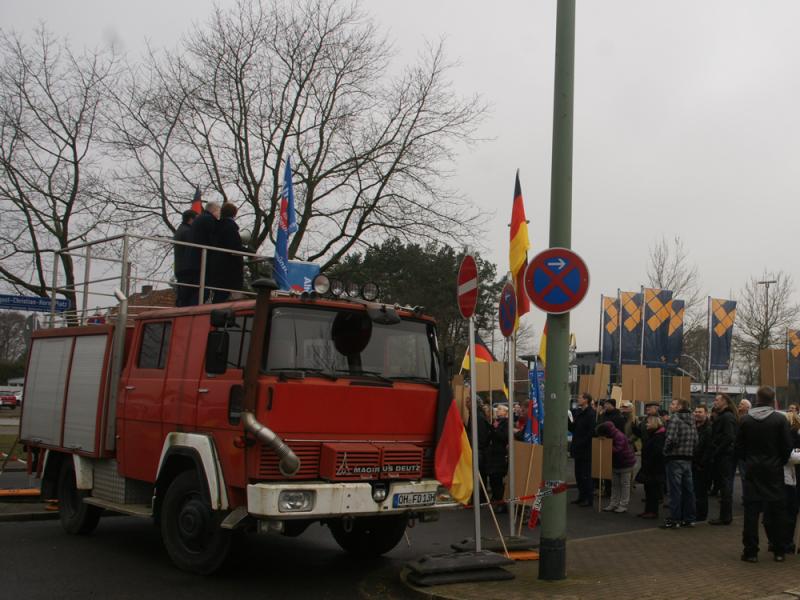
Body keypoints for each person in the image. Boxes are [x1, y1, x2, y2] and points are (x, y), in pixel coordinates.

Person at [736, 386, 793, 562]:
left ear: (757, 399)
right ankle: (779, 550)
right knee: (777, 510)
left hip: (753, 469)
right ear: (772, 399)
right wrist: (779, 461)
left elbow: (739, 447)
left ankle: (751, 551)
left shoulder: (745, 420)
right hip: (774, 470)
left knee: (751, 512)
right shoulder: (779, 420)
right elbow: (787, 446)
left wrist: (748, 461)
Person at [661, 397, 698, 529]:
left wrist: (665, 452)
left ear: (679, 407)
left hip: (674, 458)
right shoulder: (692, 420)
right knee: (688, 490)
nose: (671, 406)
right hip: (688, 458)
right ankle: (689, 518)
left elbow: (670, 439)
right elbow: (695, 440)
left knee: (675, 490)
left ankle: (675, 518)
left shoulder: (674, 419)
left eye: (673, 404)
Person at [709, 393, 738, 525]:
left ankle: (725, 516)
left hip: (726, 455)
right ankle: (725, 516)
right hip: (724, 454)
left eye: (717, 400)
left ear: (725, 401)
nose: (714, 402)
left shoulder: (727, 417)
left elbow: (729, 437)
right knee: (724, 485)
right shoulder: (724, 416)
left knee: (726, 486)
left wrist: (717, 450)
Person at [208, 202, 244, 303]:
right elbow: (235, 247)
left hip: (216, 267)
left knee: (219, 294)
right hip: (228, 270)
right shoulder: (230, 227)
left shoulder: (216, 226)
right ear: (234, 214)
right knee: (223, 295)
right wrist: (249, 251)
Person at [596, 421, 636, 513]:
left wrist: (606, 446)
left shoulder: (619, 436)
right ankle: (613, 504)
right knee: (615, 485)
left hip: (625, 463)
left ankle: (623, 505)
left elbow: (618, 449)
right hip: (616, 463)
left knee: (624, 485)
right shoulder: (611, 435)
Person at [187, 201, 221, 305]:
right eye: (219, 211)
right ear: (214, 210)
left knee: (196, 290)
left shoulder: (199, 219)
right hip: (202, 260)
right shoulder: (209, 220)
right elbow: (213, 240)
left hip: (193, 260)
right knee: (203, 291)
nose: (219, 215)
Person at [569, 392, 596, 507]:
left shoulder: (591, 414)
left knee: (586, 475)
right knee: (578, 474)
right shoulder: (579, 412)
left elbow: (591, 432)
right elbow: (574, 428)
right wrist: (567, 420)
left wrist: (581, 442)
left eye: (580, 398)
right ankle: (581, 496)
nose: (578, 399)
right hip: (578, 448)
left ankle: (588, 498)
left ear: (586, 400)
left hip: (586, 449)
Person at [636, 415, 666, 519]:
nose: (646, 425)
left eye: (648, 423)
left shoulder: (658, 436)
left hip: (654, 468)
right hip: (650, 467)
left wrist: (649, 463)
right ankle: (648, 510)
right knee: (648, 490)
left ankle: (652, 511)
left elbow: (657, 453)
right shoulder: (654, 434)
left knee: (653, 491)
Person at [780, 411, 800, 554]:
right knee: (789, 510)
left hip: (783, 477)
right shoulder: (789, 435)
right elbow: (790, 457)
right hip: (787, 478)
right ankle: (785, 543)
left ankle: (780, 542)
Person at [487, 404, 510, 512]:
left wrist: (494, 429)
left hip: (500, 454)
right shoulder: (496, 422)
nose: (498, 410)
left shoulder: (506, 423)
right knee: (493, 479)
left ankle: (501, 503)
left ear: (505, 412)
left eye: (500, 409)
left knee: (498, 479)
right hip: (493, 454)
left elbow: (503, 437)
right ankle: (496, 499)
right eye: (498, 409)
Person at [692, 405, 714, 522]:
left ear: (706, 413)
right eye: (695, 411)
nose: (697, 414)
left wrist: (701, 463)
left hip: (703, 465)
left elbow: (709, 448)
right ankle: (696, 512)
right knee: (695, 490)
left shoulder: (709, 429)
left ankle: (701, 515)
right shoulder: (694, 427)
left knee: (701, 492)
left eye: (700, 412)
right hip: (694, 463)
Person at [173, 209, 197, 307]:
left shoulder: (180, 230)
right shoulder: (187, 231)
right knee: (187, 295)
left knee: (182, 293)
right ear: (191, 219)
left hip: (180, 268)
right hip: (187, 269)